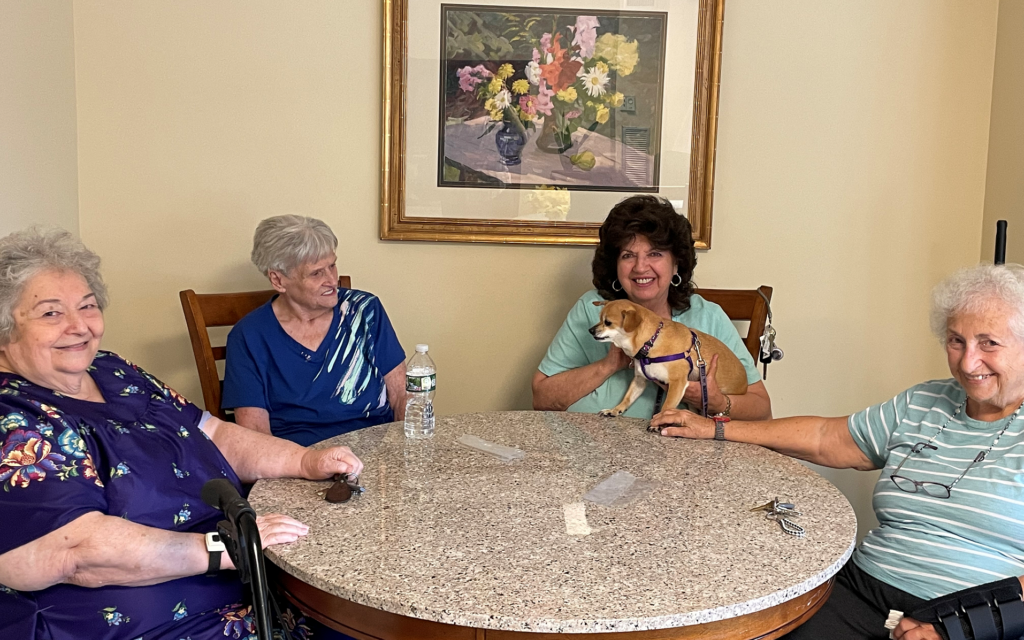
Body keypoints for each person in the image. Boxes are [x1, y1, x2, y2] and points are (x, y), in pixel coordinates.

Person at [0, 227, 363, 640]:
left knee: (364, 619)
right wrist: (222, 548)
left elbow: (215, 434)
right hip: (157, 624)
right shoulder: (13, 415)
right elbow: (73, 552)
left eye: (87, 306)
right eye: (50, 313)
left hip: (251, 583)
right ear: (4, 327)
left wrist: (303, 460)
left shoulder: (113, 369)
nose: (78, 326)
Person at [652, 263, 1024, 640]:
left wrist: (960, 629)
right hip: (865, 591)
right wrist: (716, 428)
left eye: (989, 343)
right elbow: (824, 437)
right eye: (956, 340)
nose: (967, 361)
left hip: (976, 618)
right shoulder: (925, 400)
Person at [532, 195, 772, 420]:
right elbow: (542, 398)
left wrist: (715, 402)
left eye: (655, 253)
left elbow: (762, 410)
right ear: (615, 265)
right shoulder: (591, 309)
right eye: (628, 255)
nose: (640, 267)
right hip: (590, 450)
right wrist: (610, 364)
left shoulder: (708, 317)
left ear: (676, 264)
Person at [222, 215, 407, 446]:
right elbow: (256, 436)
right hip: (299, 463)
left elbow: (402, 396)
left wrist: (405, 456)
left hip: (378, 458)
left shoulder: (365, 312)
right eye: (316, 273)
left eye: (332, 265)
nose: (332, 280)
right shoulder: (249, 337)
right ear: (278, 280)